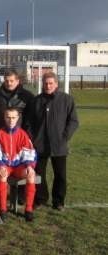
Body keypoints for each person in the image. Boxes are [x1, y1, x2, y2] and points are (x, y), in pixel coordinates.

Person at [26, 72, 79, 210]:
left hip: (59, 145)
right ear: (42, 84)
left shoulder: (67, 100)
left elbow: (73, 121)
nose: (48, 86)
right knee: (39, 174)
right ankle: (41, 198)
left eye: (51, 83)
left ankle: (58, 201)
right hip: (40, 144)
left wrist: (64, 137)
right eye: (46, 83)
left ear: (56, 84)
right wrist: (33, 138)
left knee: (60, 174)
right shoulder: (35, 101)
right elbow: (28, 122)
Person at [0, 107, 37, 222]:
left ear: (18, 118)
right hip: (6, 166)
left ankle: (28, 210)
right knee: (2, 175)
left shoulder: (23, 134)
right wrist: (0, 165)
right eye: (8, 117)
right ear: (4, 118)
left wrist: (29, 165)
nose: (11, 120)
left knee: (31, 175)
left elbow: (30, 152)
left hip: (19, 166)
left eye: (13, 117)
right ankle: (3, 209)